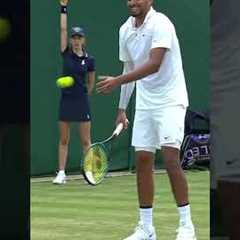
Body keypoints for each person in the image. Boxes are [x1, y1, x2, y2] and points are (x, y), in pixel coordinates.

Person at [97, 0, 196, 239]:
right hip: (145, 102)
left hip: (171, 99)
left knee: (171, 157)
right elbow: (128, 68)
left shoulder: (161, 23)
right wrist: (122, 108)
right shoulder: (125, 30)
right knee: (142, 160)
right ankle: (146, 228)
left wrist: (116, 82)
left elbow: (154, 64)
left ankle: (186, 226)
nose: (132, 1)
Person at [53, 0, 95, 184]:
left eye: (79, 37)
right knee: (64, 139)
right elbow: (62, 30)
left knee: (86, 140)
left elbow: (91, 79)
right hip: (66, 100)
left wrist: (87, 93)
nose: (76, 40)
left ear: (83, 40)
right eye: (74, 37)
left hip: (81, 101)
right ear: (71, 40)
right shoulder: (66, 53)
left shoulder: (89, 59)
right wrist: (63, 8)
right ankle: (61, 173)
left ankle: (89, 172)